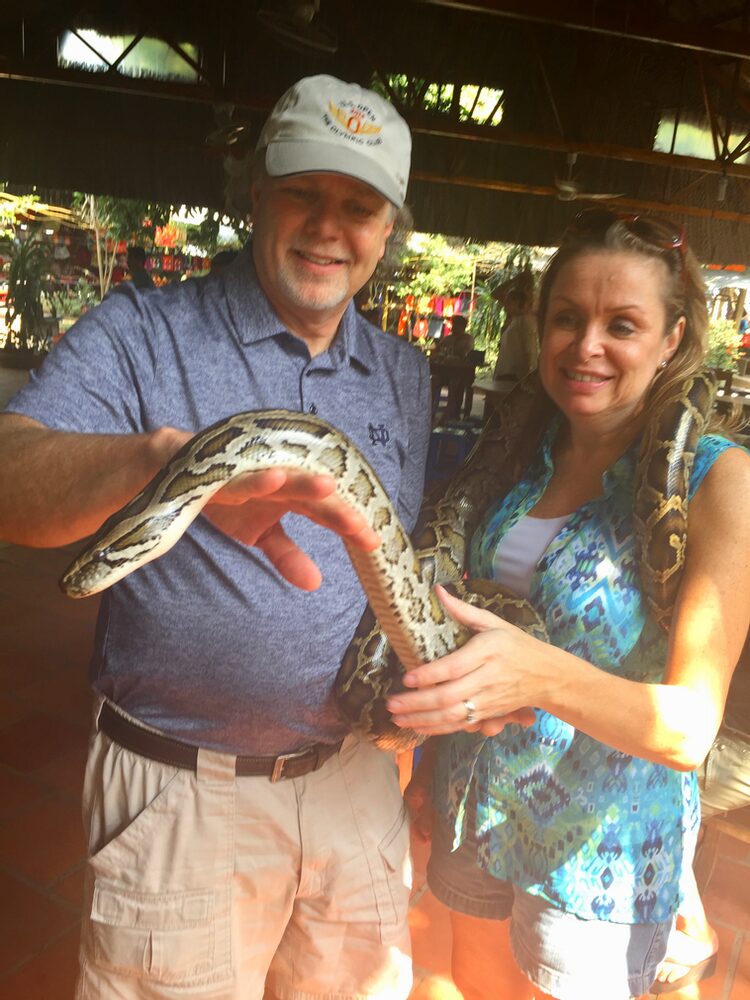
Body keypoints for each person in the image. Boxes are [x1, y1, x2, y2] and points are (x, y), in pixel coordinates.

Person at [0, 74, 430, 1000]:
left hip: (356, 788)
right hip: (185, 796)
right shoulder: (143, 331)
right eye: (302, 192)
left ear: (387, 231)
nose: (328, 227)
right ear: (252, 191)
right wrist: (154, 464)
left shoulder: (405, 374)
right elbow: (6, 473)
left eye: (358, 207)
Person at [388, 209, 750, 1000]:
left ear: (672, 339)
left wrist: (535, 675)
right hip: (474, 813)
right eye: (566, 318)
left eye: (622, 324)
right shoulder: (521, 460)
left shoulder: (717, 482)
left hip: (596, 859)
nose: (586, 345)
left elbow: (688, 727)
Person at [652, 631, 750, 992]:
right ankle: (688, 924)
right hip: (712, 701)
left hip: (731, 736)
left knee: (613, 786)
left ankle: (681, 927)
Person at [492, 273, 539, 382]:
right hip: (507, 360)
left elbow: (529, 349)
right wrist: (513, 279)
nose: (505, 305)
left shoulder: (532, 304)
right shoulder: (512, 295)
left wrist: (529, 372)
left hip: (517, 370)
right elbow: (495, 293)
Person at [430, 313, 475, 419]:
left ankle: (452, 412)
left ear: (463, 327)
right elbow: (437, 351)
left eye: (456, 325)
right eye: (453, 324)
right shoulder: (447, 338)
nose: (453, 327)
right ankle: (430, 410)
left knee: (455, 383)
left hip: (461, 372)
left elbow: (467, 354)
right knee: (433, 381)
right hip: (444, 372)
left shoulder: (468, 339)